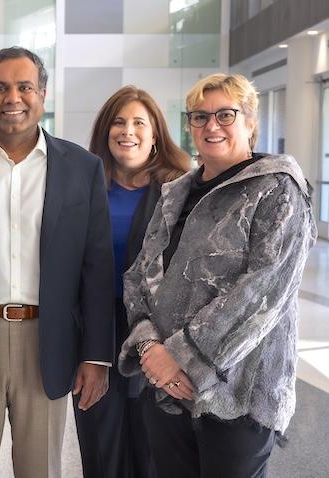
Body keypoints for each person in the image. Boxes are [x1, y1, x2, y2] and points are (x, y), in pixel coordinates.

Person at [0, 47, 114, 478]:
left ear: (42, 94)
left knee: (42, 470)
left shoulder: (82, 169)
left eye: (24, 87)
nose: (12, 97)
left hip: (48, 344)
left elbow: (97, 267)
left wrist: (96, 355)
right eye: (0, 88)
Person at [118, 73, 317, 478]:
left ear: (250, 121)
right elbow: (140, 275)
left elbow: (262, 294)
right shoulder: (175, 192)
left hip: (238, 394)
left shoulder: (279, 189)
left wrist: (178, 358)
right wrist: (150, 351)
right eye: (199, 116)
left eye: (225, 114)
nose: (211, 126)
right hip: (167, 392)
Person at [77, 85, 191, 478]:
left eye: (139, 123)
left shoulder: (180, 189)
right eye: (118, 122)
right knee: (101, 447)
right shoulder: (85, 184)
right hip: (96, 333)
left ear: (155, 132)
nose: (128, 131)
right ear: (105, 131)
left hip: (158, 335)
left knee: (153, 447)